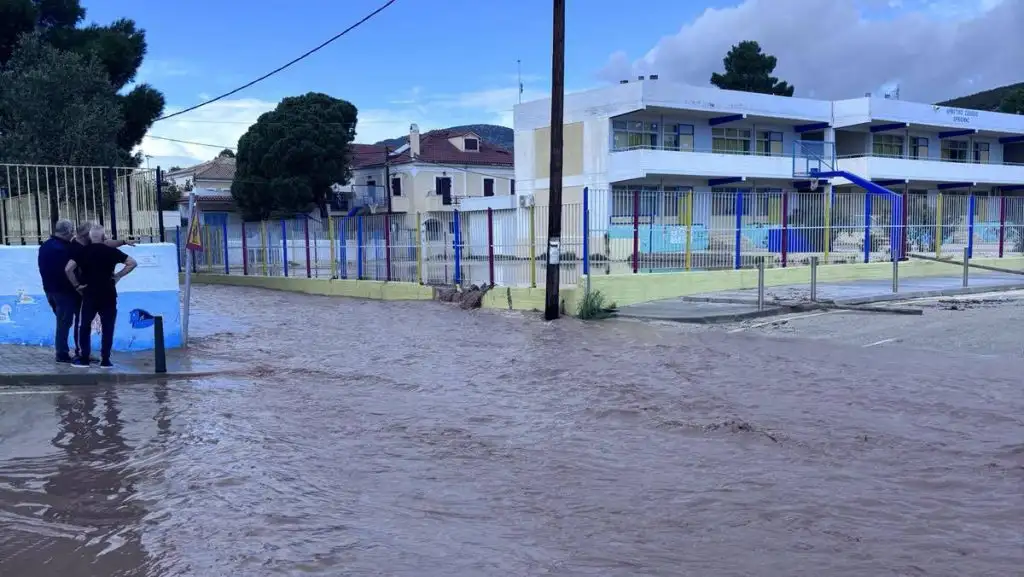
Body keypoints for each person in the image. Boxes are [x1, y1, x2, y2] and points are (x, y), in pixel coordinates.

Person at [65, 225, 138, 369]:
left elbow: (68, 269)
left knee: (85, 326)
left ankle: (84, 358)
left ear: (90, 237)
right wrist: (118, 276)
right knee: (108, 327)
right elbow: (132, 263)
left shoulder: (82, 251)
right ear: (104, 237)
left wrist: (77, 285)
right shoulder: (111, 251)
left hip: (89, 293)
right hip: (108, 293)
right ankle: (105, 360)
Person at [37, 219, 79, 363]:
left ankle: (66, 351)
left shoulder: (45, 246)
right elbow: (69, 270)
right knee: (64, 323)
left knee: (63, 322)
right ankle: (62, 354)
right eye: (72, 231)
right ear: (68, 232)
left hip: (50, 290)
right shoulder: (65, 249)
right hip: (65, 291)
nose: (73, 234)